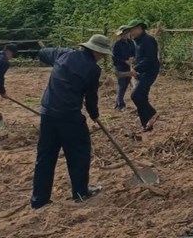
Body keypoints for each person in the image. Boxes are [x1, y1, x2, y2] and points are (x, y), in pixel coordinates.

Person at [30, 35, 112, 209]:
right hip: (69, 116)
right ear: (96, 51)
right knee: (79, 153)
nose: (102, 57)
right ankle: (80, 192)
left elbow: (43, 53)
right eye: (102, 54)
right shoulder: (93, 69)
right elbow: (91, 97)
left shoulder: (63, 54)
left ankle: (39, 200)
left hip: (47, 113)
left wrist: (52, 59)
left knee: (45, 157)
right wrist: (94, 114)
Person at [126, 19, 160, 131]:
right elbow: (139, 56)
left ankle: (152, 113)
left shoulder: (148, 40)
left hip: (149, 71)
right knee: (141, 96)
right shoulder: (137, 41)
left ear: (140, 28)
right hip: (141, 72)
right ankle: (146, 125)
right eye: (130, 30)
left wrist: (136, 69)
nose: (132, 32)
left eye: (133, 29)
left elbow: (149, 59)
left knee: (135, 95)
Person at [112, 25, 136, 111]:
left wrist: (132, 58)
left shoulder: (131, 43)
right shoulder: (116, 44)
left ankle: (118, 103)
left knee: (125, 85)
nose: (125, 35)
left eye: (126, 33)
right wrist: (124, 61)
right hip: (120, 67)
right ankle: (121, 104)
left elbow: (134, 53)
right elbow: (114, 57)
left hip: (128, 67)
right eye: (123, 34)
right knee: (121, 85)